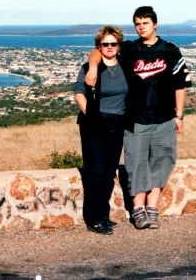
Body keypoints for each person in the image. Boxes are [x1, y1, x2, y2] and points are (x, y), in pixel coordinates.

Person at [85, 6, 191, 230]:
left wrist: (179, 115)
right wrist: (93, 67)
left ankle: (152, 209)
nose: (141, 27)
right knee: (136, 165)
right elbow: (101, 49)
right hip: (135, 120)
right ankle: (138, 210)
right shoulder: (130, 49)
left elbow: (180, 86)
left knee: (162, 162)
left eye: (145, 22)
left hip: (164, 119)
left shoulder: (170, 50)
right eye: (137, 23)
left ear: (155, 24)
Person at [74, 25, 131, 235]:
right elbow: (79, 92)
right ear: (99, 46)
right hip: (94, 122)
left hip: (118, 122)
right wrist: (91, 115)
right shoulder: (90, 66)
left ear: (118, 45)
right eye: (105, 44)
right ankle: (94, 218)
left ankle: (103, 214)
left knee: (109, 171)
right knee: (95, 171)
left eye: (113, 43)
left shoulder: (124, 65)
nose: (109, 47)